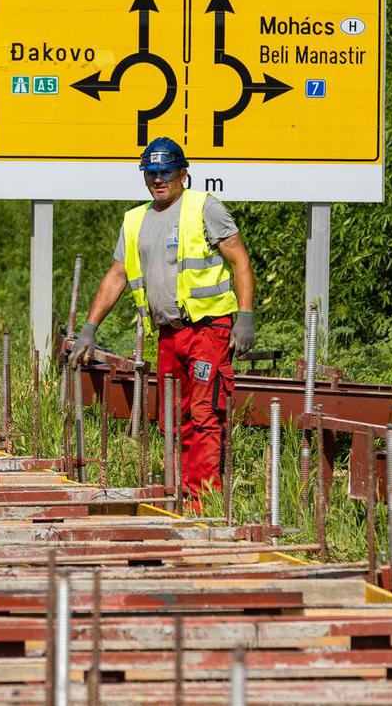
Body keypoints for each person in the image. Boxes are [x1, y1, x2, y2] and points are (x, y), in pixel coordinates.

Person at [68, 137, 255, 506]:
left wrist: (245, 317)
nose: (158, 179)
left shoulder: (205, 207)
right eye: (150, 172)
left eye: (165, 171)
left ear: (183, 173)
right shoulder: (135, 220)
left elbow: (241, 262)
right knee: (172, 416)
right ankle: (178, 493)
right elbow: (117, 275)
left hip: (209, 328)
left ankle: (203, 500)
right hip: (169, 334)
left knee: (203, 413)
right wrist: (90, 327)